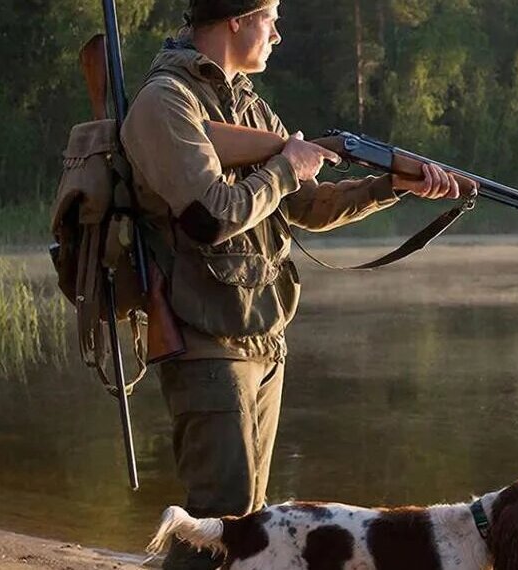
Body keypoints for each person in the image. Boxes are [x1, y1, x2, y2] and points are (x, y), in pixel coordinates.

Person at [119, 1, 459, 568]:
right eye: (270, 17)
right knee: (216, 518)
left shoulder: (249, 105)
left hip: (261, 333)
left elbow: (310, 206)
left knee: (248, 527)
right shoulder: (166, 101)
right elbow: (208, 216)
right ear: (236, 18)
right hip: (205, 335)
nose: (278, 34)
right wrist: (286, 166)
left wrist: (391, 185)